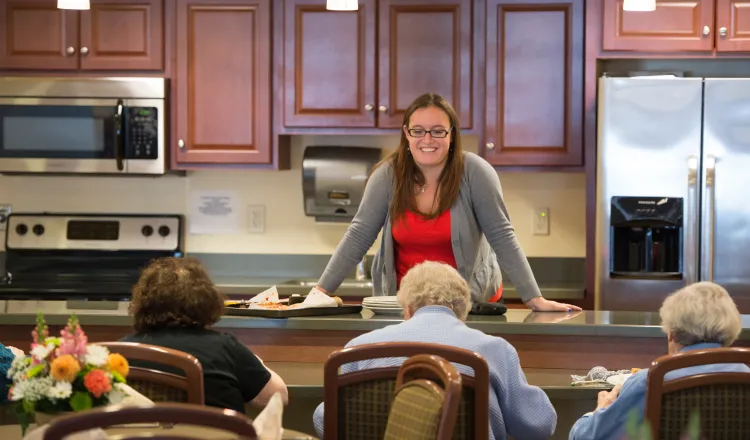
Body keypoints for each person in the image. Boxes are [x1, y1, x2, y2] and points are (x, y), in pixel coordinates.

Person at [315, 92, 579, 312]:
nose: (427, 139)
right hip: (405, 307)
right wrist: (319, 293)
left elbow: (502, 235)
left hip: (469, 305)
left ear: (452, 135)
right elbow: (358, 235)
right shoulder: (387, 175)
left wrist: (534, 298)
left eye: (438, 131)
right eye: (418, 130)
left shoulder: (475, 172)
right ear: (406, 134)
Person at [313, 261, 557, 440]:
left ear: (407, 308)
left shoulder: (361, 348)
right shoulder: (493, 350)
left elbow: (325, 421)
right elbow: (539, 426)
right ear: (463, 312)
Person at [569, 281, 750, 440]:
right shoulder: (745, 378)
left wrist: (599, 411)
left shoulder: (647, 382)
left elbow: (584, 437)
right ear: (731, 334)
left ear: (671, 335)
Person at [121, 256, 288, 412]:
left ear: (143, 303)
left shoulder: (122, 353)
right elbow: (278, 396)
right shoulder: (225, 348)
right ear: (206, 300)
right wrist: (257, 363)